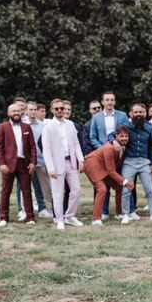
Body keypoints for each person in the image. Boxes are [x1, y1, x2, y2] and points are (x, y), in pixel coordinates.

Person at [42, 98, 84, 230]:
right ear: (52, 110)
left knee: (76, 190)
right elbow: (46, 150)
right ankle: (59, 219)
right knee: (58, 193)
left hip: (70, 162)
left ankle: (70, 215)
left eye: (62, 108)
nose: (60, 111)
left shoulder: (70, 124)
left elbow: (76, 143)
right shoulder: (48, 128)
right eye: (57, 109)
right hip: (56, 164)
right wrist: (50, 168)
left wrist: (80, 159)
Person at [0, 103, 37, 227]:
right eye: (13, 111)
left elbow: (32, 146)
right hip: (8, 164)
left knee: (27, 191)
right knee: (5, 191)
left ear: (22, 112)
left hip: (24, 164)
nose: (16, 113)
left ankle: (30, 217)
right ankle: (3, 217)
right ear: (8, 113)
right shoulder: (2, 127)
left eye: (18, 111)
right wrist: (1, 163)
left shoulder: (27, 127)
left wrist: (33, 162)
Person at [89, 91, 129, 220]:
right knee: (102, 185)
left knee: (119, 183)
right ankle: (104, 212)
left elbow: (126, 134)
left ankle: (123, 211)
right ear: (102, 102)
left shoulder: (122, 115)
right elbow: (92, 137)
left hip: (118, 155)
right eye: (107, 100)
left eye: (112, 100)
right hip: (101, 155)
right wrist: (104, 149)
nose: (110, 102)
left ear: (115, 101)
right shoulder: (96, 117)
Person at [83, 126, 134, 226]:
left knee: (119, 187)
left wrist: (122, 182)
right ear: (116, 136)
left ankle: (119, 213)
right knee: (102, 189)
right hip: (92, 165)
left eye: (126, 136)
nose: (124, 138)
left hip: (104, 167)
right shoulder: (109, 148)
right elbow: (111, 171)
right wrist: (126, 182)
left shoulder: (121, 146)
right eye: (121, 136)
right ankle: (96, 219)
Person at [119, 103, 152, 225]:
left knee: (149, 189)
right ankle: (126, 214)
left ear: (144, 113)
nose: (138, 114)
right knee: (126, 189)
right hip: (129, 162)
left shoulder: (150, 128)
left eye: (140, 112)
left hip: (144, 162)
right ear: (131, 114)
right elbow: (113, 136)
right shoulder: (125, 126)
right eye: (135, 112)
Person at [27, 102, 54, 219]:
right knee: (31, 188)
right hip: (28, 163)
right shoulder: (23, 125)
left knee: (47, 187)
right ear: (26, 111)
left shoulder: (44, 126)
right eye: (31, 110)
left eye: (34, 109)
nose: (33, 112)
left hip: (42, 161)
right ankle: (39, 208)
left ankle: (52, 209)